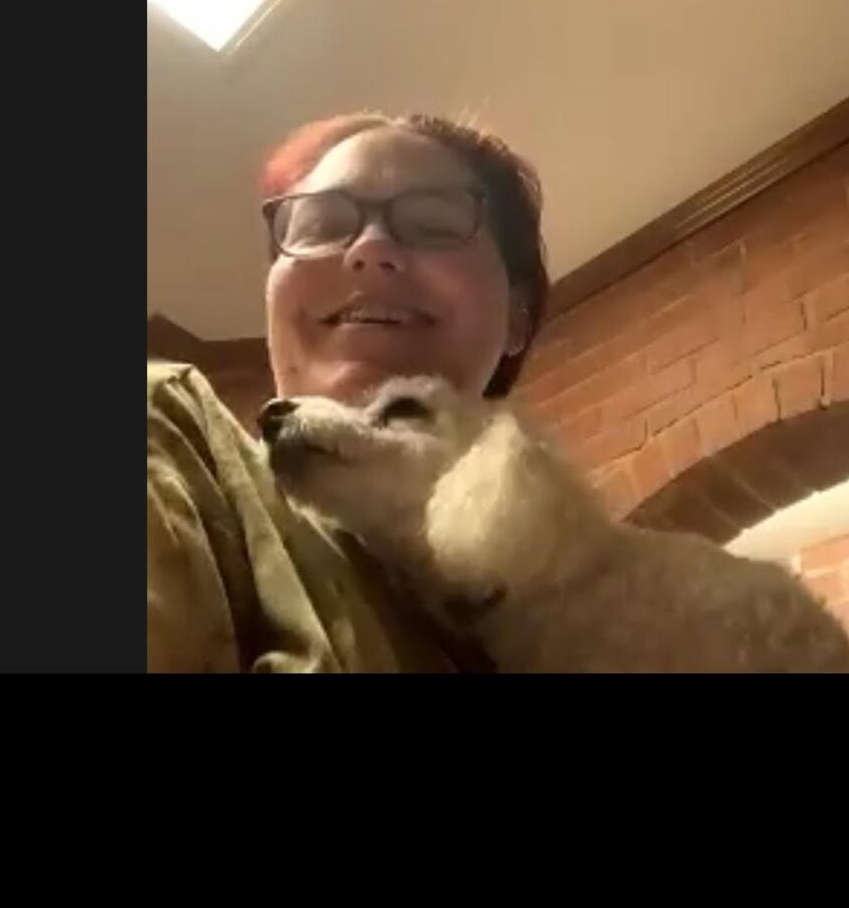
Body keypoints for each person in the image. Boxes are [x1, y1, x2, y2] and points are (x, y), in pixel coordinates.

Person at [146, 111, 550, 672]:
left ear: (518, 316)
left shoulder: (581, 618)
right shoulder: (166, 431)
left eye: (433, 224)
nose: (368, 249)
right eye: (321, 224)